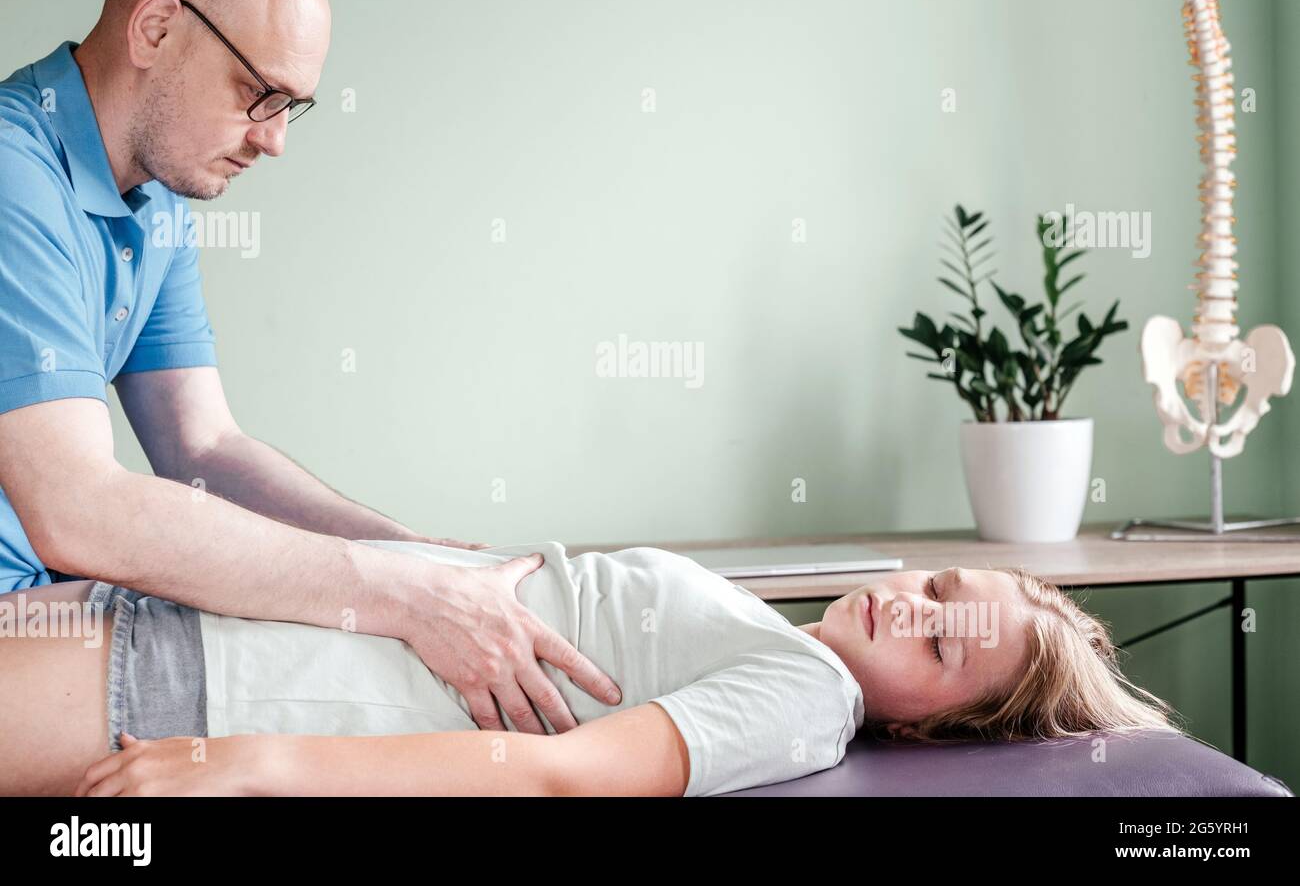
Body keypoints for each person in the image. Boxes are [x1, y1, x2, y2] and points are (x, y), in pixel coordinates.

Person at [0, 0, 621, 733]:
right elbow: (78, 508)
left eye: (292, 107)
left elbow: (204, 450)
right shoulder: (15, 173)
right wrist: (401, 594)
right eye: (259, 93)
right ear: (155, 28)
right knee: (345, 653)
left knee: (350, 636)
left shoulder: (159, 207)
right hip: (27, 615)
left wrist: (416, 554)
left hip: (36, 603)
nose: (274, 138)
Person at [0, 543, 1185, 796]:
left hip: (184, 700)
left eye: (934, 645)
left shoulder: (807, 701)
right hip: (179, 619)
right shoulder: (781, 638)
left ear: (931, 731)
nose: (902, 606)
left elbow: (557, 774)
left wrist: (248, 762)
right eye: (938, 590)